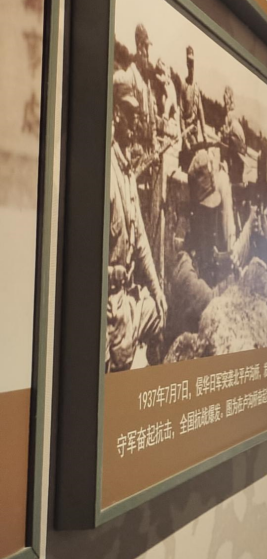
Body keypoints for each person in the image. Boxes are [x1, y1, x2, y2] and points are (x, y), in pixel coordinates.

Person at [107, 71, 167, 372]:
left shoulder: (127, 171)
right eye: (130, 113)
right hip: (111, 307)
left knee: (159, 316)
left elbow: (140, 240)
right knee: (119, 364)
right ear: (116, 114)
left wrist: (157, 291)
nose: (136, 122)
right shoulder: (107, 172)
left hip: (131, 298)